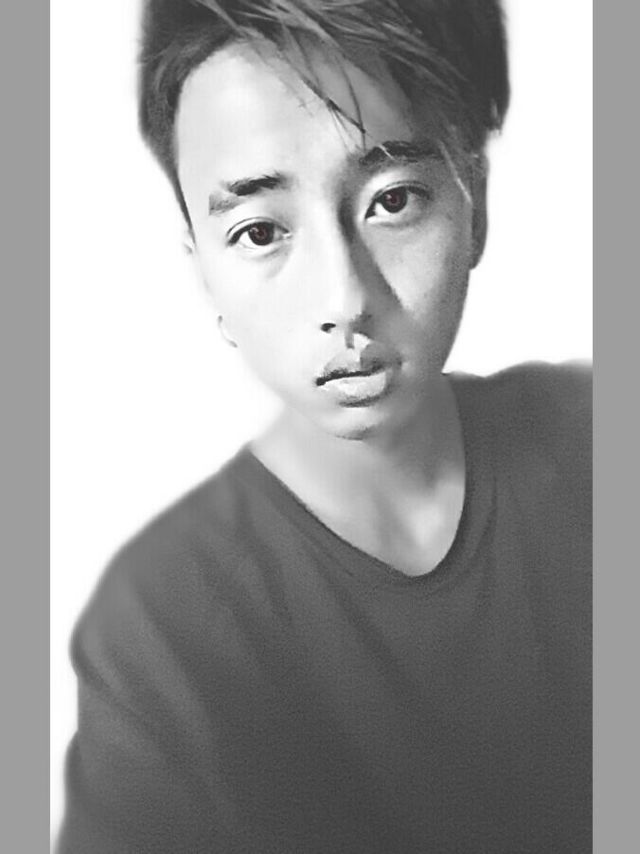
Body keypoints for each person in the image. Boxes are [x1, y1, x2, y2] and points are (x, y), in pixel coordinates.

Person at [57, 1, 591, 851]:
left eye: (393, 200)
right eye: (260, 231)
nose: (343, 298)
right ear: (203, 273)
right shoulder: (160, 632)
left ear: (475, 204)